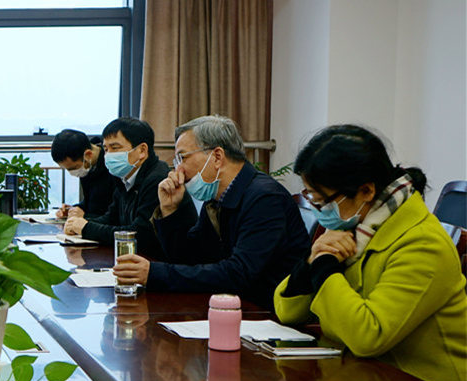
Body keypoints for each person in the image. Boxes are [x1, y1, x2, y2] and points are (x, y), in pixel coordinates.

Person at [273, 125, 466, 381]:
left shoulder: (423, 243)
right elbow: (287, 312)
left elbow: (368, 337)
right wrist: (310, 262)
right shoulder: (358, 226)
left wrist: (325, 267)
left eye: (324, 201)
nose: (321, 211)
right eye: (312, 199)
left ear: (366, 191)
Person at [115, 114, 309, 312]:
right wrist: (170, 210)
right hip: (231, 305)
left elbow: (239, 273)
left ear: (217, 157)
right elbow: (190, 257)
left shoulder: (265, 198)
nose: (178, 169)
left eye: (183, 157)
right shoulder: (217, 197)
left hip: (267, 312)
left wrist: (154, 273)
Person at [63, 117, 186, 260]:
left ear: (142, 150)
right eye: (106, 149)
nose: (108, 155)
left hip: (159, 262)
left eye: (115, 148)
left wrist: (86, 228)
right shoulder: (124, 177)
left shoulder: (158, 179)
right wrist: (79, 223)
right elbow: (112, 218)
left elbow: (140, 234)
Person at [51, 128, 115, 219]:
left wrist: (85, 216)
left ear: (88, 155)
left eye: (74, 168)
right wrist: (74, 209)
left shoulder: (114, 166)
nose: (72, 173)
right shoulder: (88, 165)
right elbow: (92, 203)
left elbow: (114, 214)